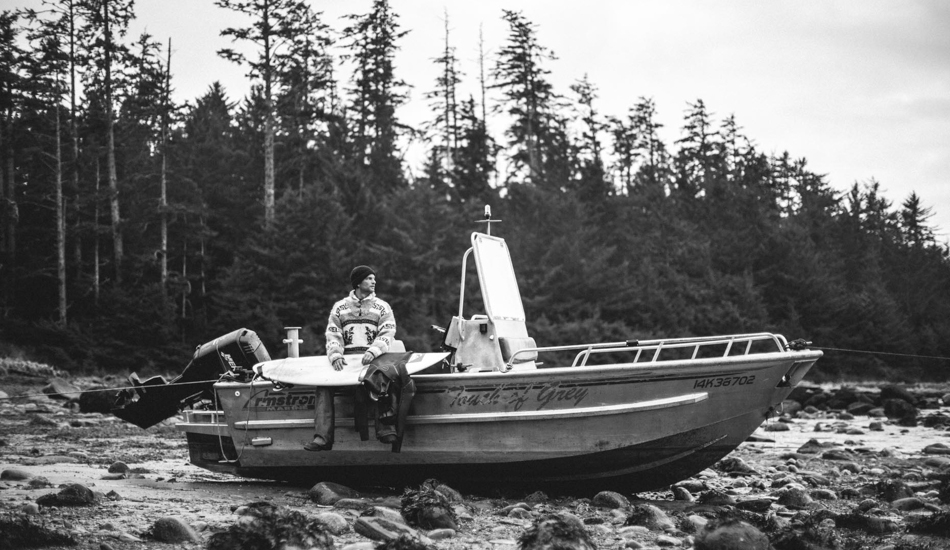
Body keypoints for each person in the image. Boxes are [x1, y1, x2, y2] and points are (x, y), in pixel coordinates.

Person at [304, 265, 397, 451]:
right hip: (347, 363)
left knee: (386, 379)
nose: (374, 282)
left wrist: (374, 350)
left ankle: (386, 430)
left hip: (373, 362)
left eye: (374, 278)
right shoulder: (339, 308)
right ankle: (323, 438)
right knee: (323, 385)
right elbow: (333, 335)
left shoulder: (382, 307)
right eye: (369, 278)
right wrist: (336, 355)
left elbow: (388, 332)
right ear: (358, 282)